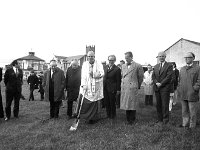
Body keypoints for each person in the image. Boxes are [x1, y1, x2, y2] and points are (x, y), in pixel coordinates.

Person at [78, 50, 104, 124]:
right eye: (89, 56)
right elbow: (82, 76)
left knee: (94, 102)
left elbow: (101, 73)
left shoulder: (99, 64)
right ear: (87, 57)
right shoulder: (85, 64)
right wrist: (83, 85)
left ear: (94, 56)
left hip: (96, 86)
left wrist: (93, 74)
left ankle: (93, 118)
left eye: (92, 56)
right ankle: (87, 117)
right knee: (86, 102)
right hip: (87, 86)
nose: (90, 57)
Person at [177, 52, 200, 129]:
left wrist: (195, 88)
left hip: (192, 93)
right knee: (184, 110)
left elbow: (199, 80)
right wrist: (179, 88)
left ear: (193, 58)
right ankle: (185, 124)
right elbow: (179, 80)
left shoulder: (197, 68)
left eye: (189, 57)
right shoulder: (182, 69)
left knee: (192, 110)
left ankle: (192, 125)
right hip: (183, 92)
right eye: (185, 57)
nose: (186, 59)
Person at [120, 51, 144, 125]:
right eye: (125, 58)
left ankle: (132, 120)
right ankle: (128, 119)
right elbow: (122, 76)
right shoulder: (123, 66)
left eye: (127, 58)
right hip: (125, 87)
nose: (126, 59)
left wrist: (137, 85)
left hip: (133, 87)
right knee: (126, 104)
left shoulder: (138, 66)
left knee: (132, 104)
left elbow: (140, 77)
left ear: (131, 57)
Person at [152, 51, 173, 125]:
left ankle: (165, 120)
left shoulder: (169, 66)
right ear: (158, 57)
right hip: (157, 88)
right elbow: (153, 76)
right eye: (160, 56)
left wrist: (161, 83)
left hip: (165, 88)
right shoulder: (156, 66)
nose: (161, 57)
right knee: (158, 104)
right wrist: (156, 82)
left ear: (165, 57)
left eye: (162, 56)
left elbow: (169, 76)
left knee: (165, 104)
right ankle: (159, 119)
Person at [103, 55, 121, 119]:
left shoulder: (117, 69)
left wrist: (118, 89)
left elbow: (118, 80)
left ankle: (113, 115)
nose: (111, 61)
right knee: (106, 102)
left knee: (112, 102)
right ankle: (108, 114)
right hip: (105, 87)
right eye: (110, 60)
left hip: (112, 88)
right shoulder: (105, 67)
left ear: (115, 60)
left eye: (112, 60)